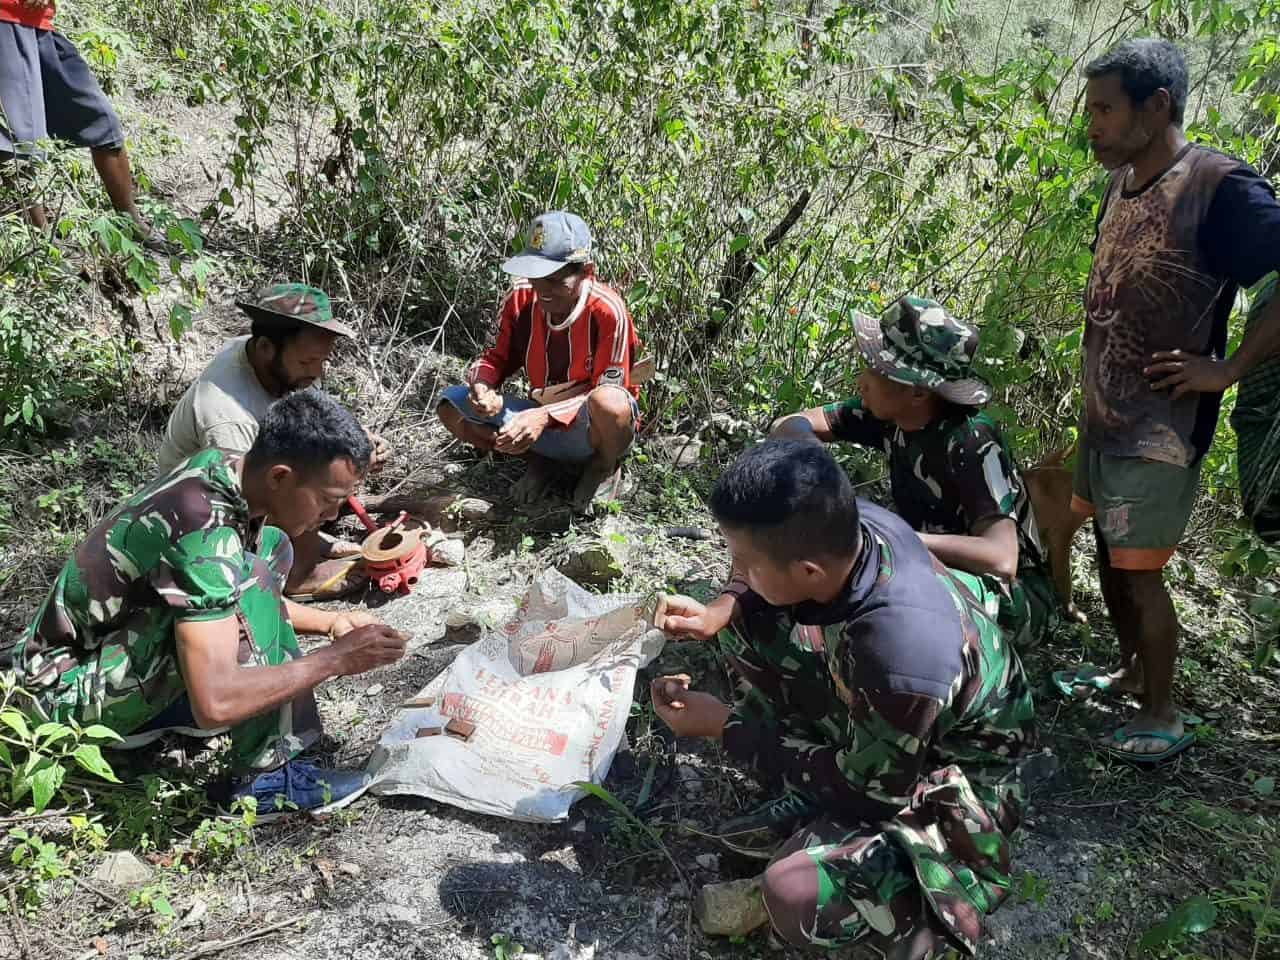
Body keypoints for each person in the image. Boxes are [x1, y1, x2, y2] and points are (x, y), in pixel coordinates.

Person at [652, 440, 1035, 958]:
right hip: (897, 717)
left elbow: (871, 794)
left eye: (744, 560)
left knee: (794, 893)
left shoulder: (900, 653)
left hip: (959, 775)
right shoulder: (843, 524)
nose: (734, 566)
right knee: (749, 619)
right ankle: (811, 790)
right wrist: (722, 608)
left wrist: (726, 728)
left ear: (809, 571)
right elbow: (756, 571)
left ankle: (920, 920)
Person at [12, 390, 408, 816]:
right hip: (58, 698)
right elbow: (216, 700)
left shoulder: (231, 473)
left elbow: (235, 602)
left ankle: (166, 714)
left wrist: (332, 623)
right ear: (279, 477)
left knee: (271, 547)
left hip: (106, 658)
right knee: (250, 573)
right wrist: (333, 660)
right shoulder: (202, 524)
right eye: (329, 499)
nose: (333, 516)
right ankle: (266, 779)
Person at [1053, 39, 1280, 764]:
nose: (1092, 124)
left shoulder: (1220, 187)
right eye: (1089, 109)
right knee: (1111, 552)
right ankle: (1128, 672)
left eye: (1105, 109)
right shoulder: (1123, 180)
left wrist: (1230, 368)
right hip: (1106, 414)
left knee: (1141, 568)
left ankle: (1163, 712)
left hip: (1161, 427)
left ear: (1157, 107)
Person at [772, 295, 1060, 650]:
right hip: (930, 569)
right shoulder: (887, 415)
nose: (862, 381)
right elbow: (789, 425)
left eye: (877, 371)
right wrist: (820, 470)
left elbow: (1001, 558)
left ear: (919, 392)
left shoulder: (971, 441)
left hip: (1013, 599)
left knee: (879, 584)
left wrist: (896, 538)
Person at [158, 283, 389, 598]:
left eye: (321, 361)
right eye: (307, 363)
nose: (317, 373)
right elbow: (261, 494)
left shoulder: (256, 353)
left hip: (259, 477)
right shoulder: (229, 417)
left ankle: (312, 543)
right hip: (198, 521)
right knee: (306, 481)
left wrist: (354, 440)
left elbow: (307, 416)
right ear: (267, 348)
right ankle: (299, 573)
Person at [438, 211, 642, 513]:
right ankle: (538, 462)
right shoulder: (521, 297)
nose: (543, 289)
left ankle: (603, 467)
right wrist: (483, 386)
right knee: (451, 408)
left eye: (556, 280)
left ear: (586, 271)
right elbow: (494, 356)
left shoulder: (607, 310)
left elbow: (610, 390)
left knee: (610, 403)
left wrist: (544, 417)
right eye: (536, 277)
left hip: (589, 428)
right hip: (540, 420)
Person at [0, 0, 161, 244]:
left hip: (39, 24)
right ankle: (42, 246)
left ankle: (132, 221)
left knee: (101, 119)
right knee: (20, 142)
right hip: (5, 22)